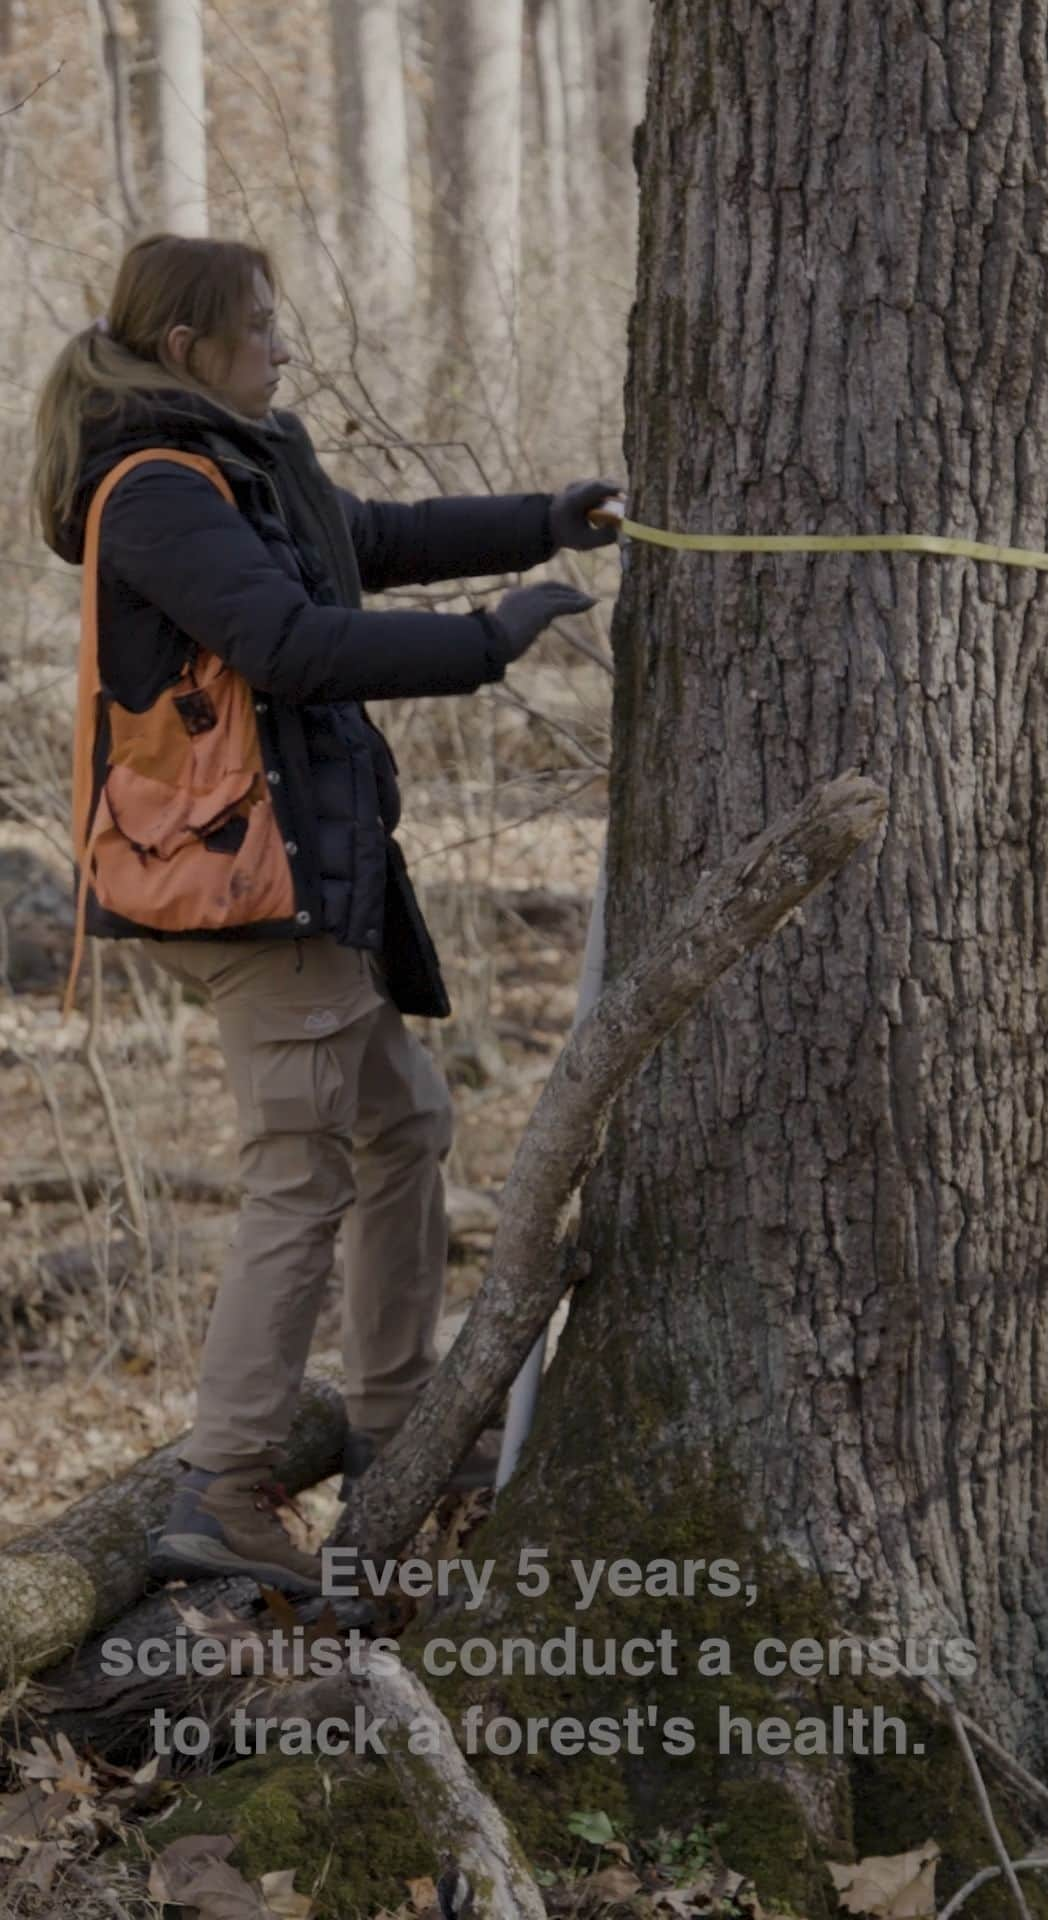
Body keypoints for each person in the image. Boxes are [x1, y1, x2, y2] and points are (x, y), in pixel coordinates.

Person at [32, 232, 623, 1594]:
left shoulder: (247, 464)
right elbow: (293, 647)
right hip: (254, 896)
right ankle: (225, 1482)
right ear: (189, 349)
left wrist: (547, 518)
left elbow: (374, 542)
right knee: (298, 1173)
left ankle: (393, 1413)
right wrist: (488, 641)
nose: (283, 348)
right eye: (259, 326)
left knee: (405, 1120)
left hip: (306, 881)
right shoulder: (158, 491)